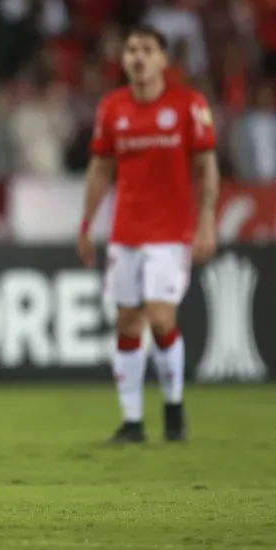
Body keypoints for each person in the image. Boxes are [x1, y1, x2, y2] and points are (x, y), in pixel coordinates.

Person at [78, 25, 219, 444]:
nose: (137, 56)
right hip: (126, 233)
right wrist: (86, 226)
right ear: (123, 60)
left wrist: (207, 222)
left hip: (171, 233)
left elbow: (206, 168)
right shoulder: (112, 108)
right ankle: (133, 421)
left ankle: (173, 406)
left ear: (162, 60)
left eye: (147, 49)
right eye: (131, 49)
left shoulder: (189, 105)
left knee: (159, 318)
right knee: (126, 322)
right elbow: (100, 170)